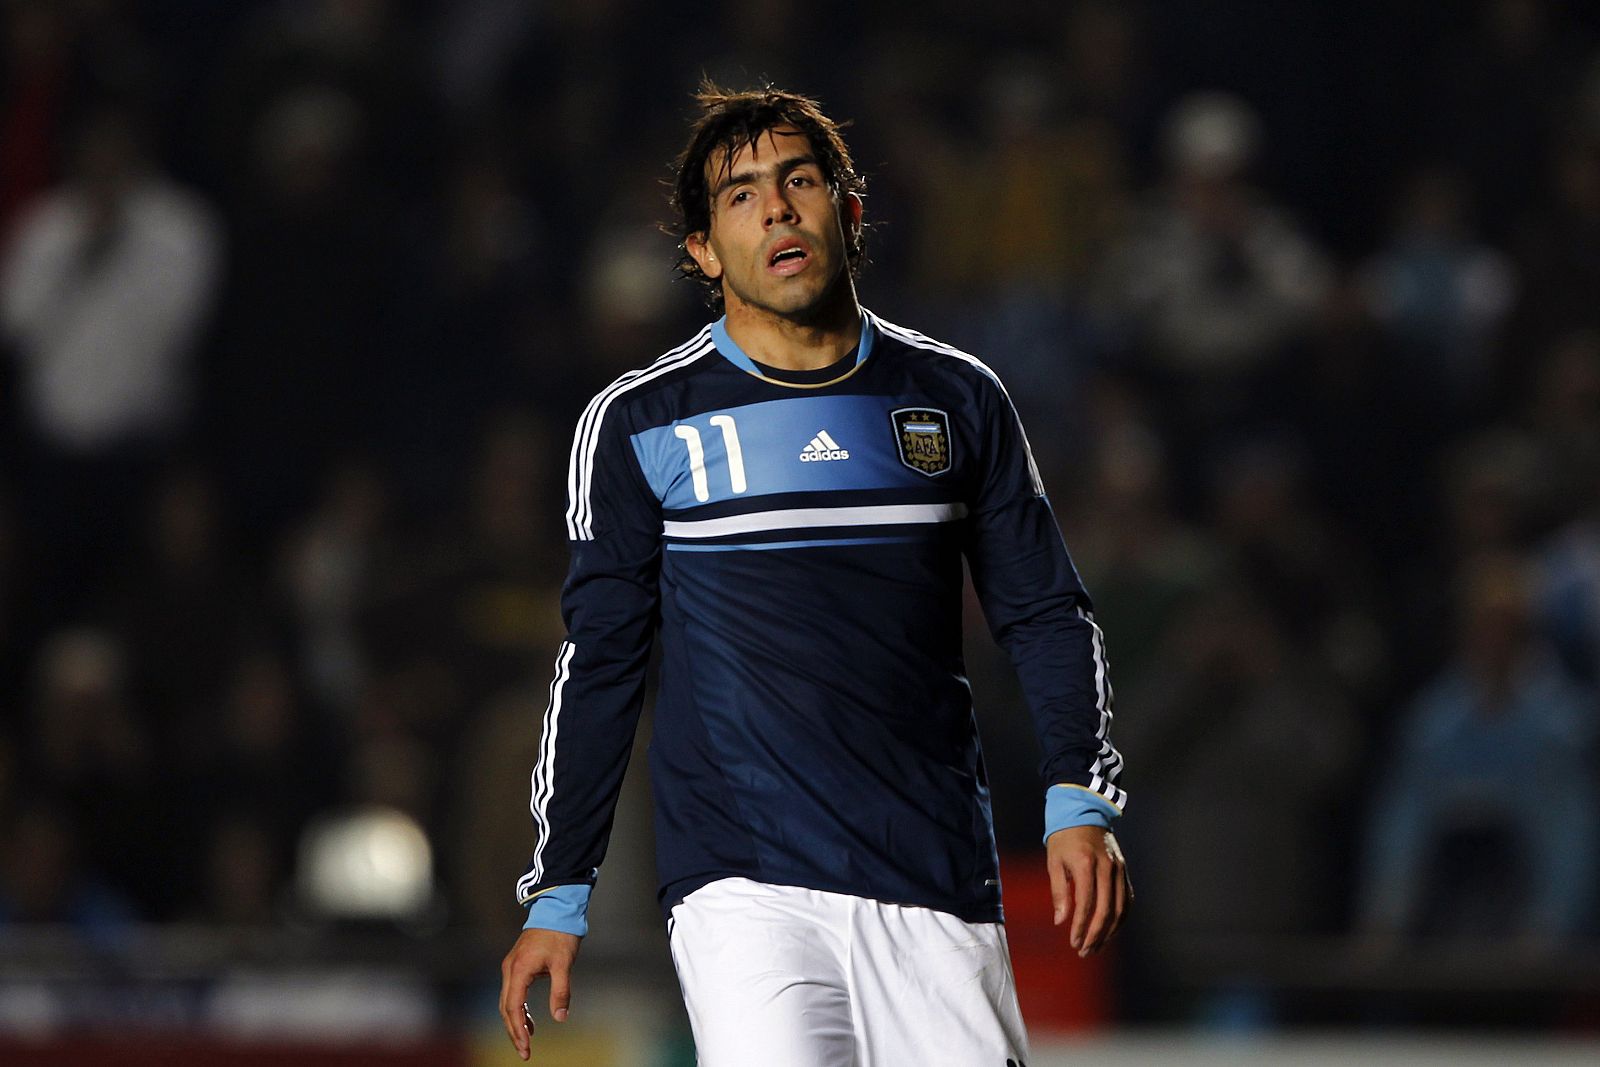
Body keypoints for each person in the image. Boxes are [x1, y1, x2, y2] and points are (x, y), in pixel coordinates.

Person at [499, 83, 1132, 1065]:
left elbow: (1045, 610)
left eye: (800, 181)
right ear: (704, 250)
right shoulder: (640, 422)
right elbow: (601, 662)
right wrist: (559, 887)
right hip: (742, 886)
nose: (777, 209)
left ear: (851, 209)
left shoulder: (957, 398)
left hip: (936, 876)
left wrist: (1077, 795)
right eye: (742, 194)